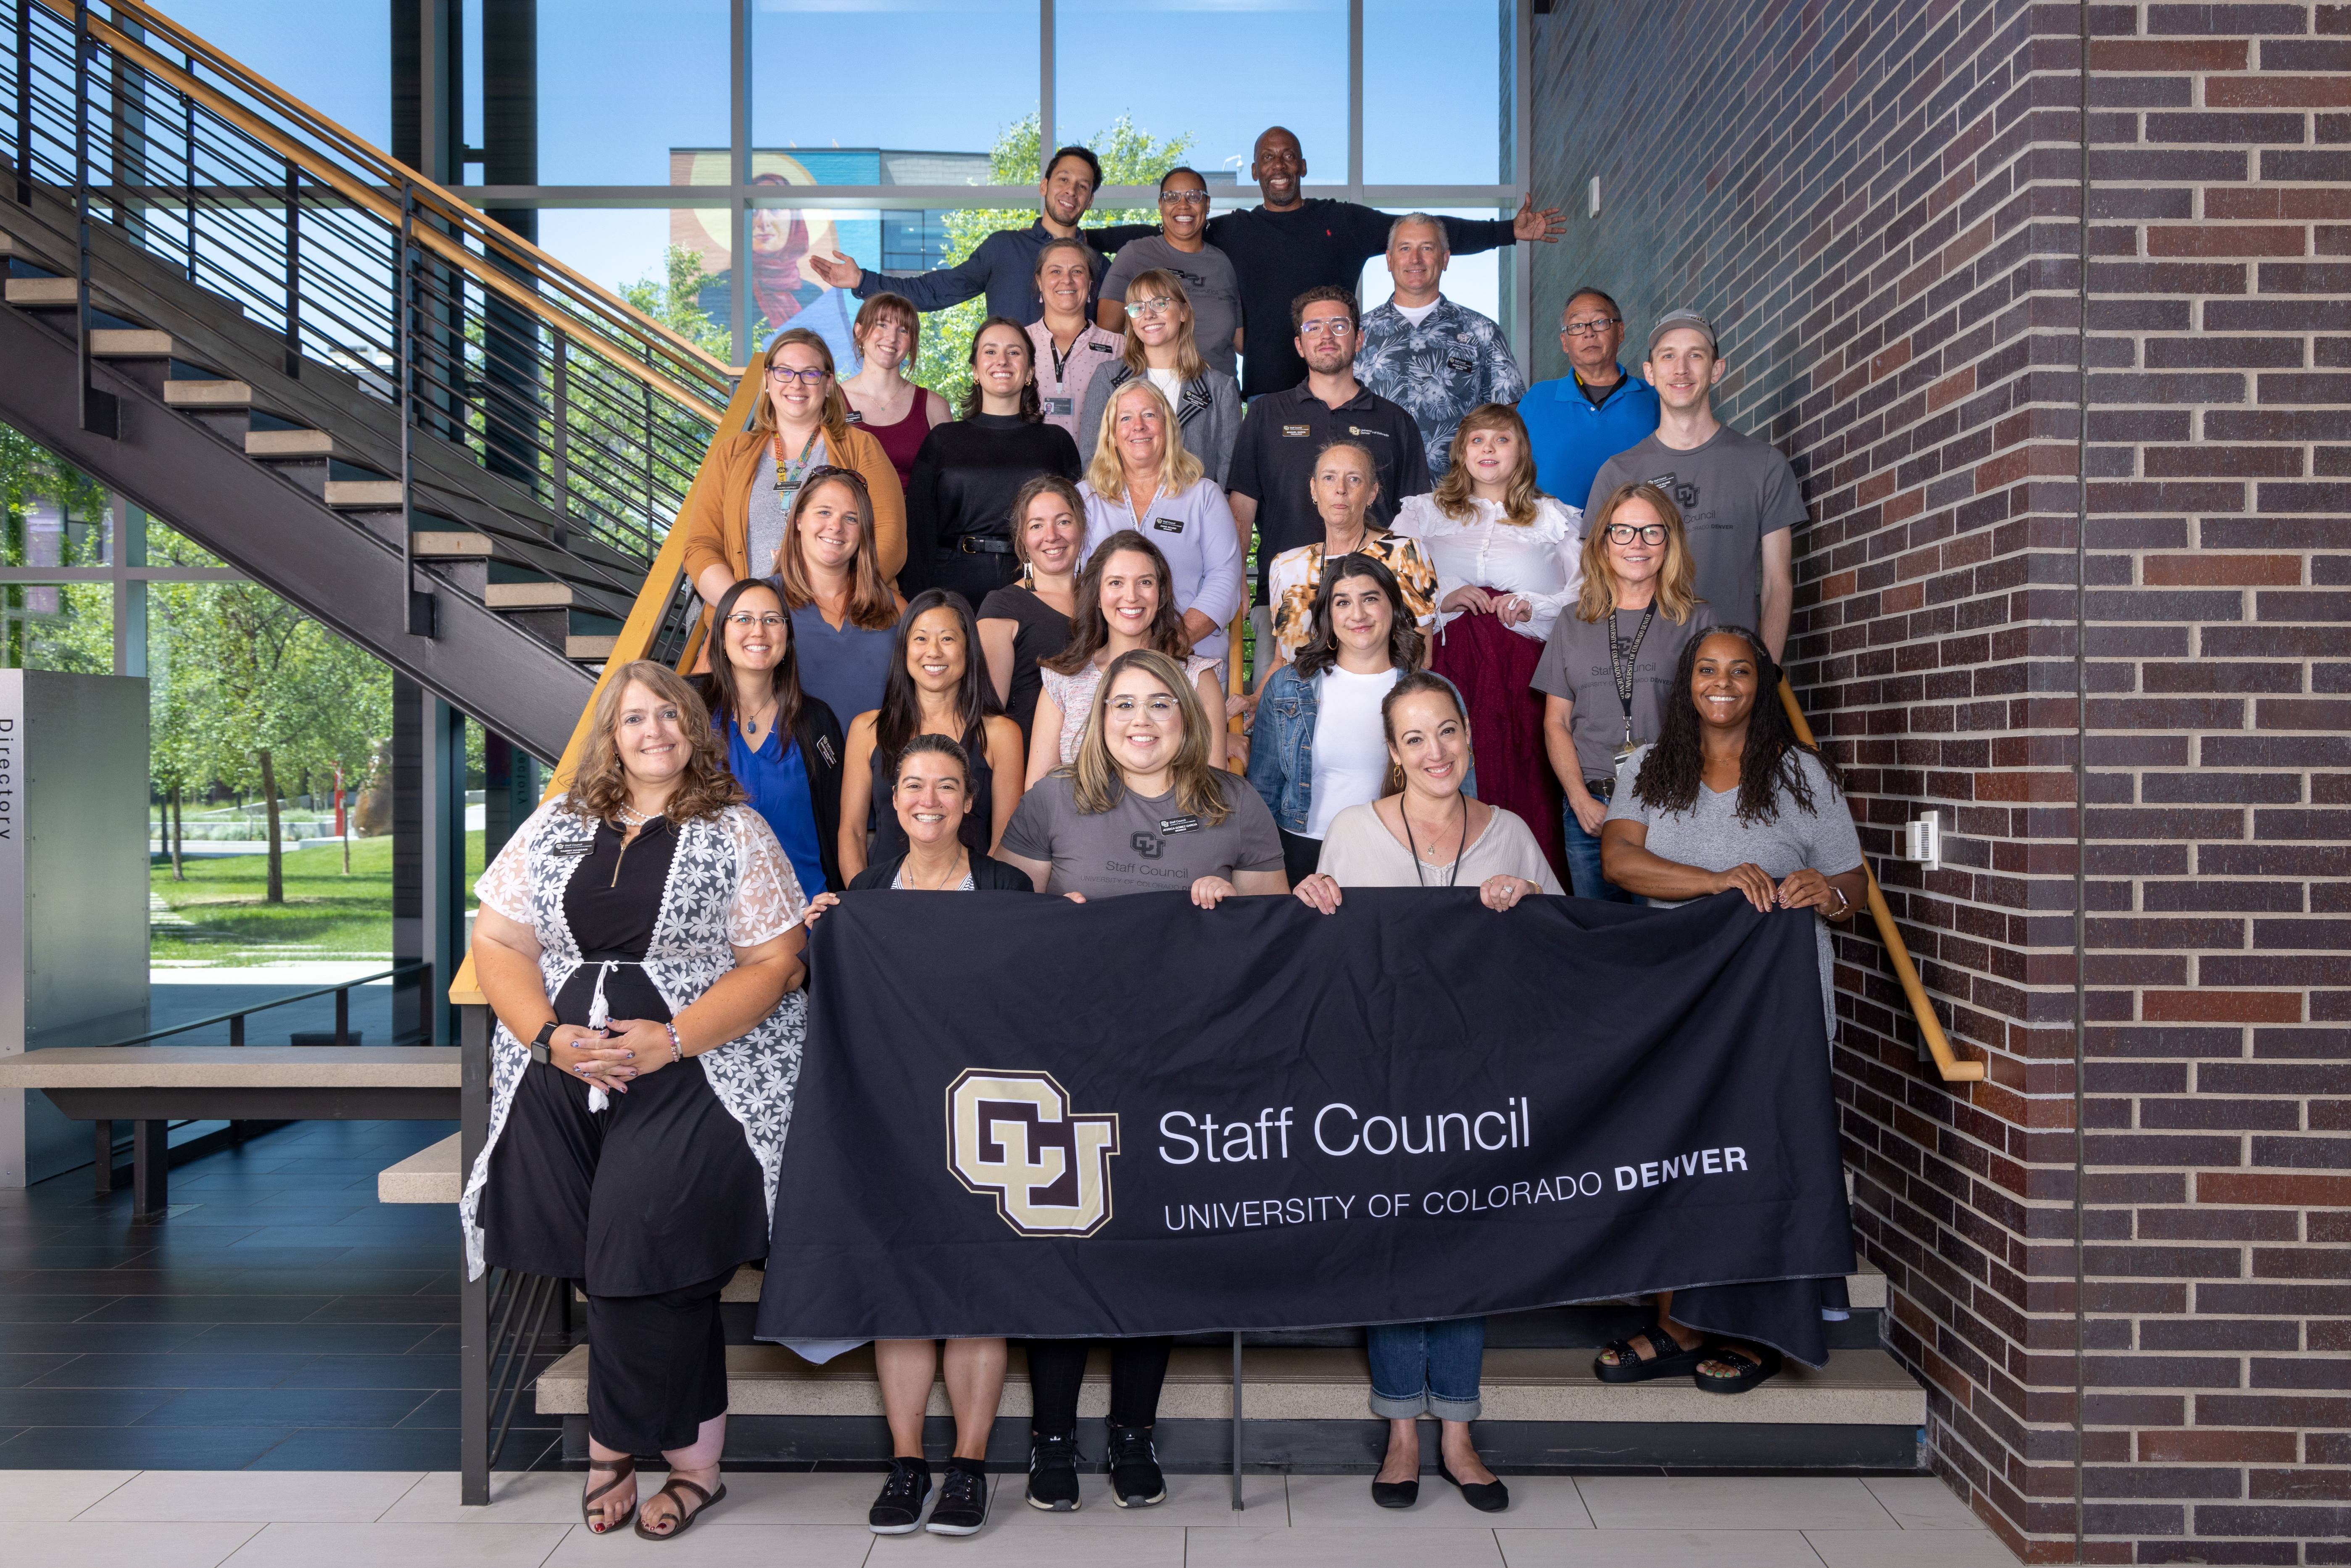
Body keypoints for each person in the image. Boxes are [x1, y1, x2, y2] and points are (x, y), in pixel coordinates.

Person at [461, 662, 808, 1542]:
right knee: (621, 1262)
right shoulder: (556, 824)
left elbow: (777, 960)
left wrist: (673, 1035)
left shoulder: (735, 828)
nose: (653, 730)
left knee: (640, 1238)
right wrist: (549, 1035)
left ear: (694, 728)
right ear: (609, 734)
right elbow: (499, 937)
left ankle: (614, 1443)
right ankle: (698, 1463)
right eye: (633, 718)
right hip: (558, 1070)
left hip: (695, 1067)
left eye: (669, 714)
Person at [996, 648, 1287, 1511]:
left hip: (1186, 1062)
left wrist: (1229, 905)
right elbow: (1000, 928)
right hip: (1071, 1061)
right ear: (1098, 716)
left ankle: (1132, 1433)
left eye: (1160, 703)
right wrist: (1053, 921)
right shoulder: (1053, 796)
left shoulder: (1234, 802)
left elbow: (1275, 934)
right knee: (1063, 1247)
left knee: (1150, 1250)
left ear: (1186, 717)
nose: (1142, 719)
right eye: (1123, 703)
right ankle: (1051, 1436)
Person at [1290, 671, 1556, 1516]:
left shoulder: (1509, 831)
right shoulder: (1353, 830)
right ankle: (1403, 1426)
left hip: (1479, 1079)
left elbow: (1567, 948)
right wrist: (1310, 896)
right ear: (1394, 753)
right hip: (1382, 1073)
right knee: (1398, 1245)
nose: (1434, 750)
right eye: (1414, 738)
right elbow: (1323, 956)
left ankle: (1458, 1430)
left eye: (1446, 730)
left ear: (1469, 732)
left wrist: (1531, 902)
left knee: (1467, 1248)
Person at [1595, 625, 1865, 1395]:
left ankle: (1756, 1329)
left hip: (1773, 1013)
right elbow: (1618, 860)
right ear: (1687, 683)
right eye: (1707, 670)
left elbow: (1852, 881)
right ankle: (1676, 1323)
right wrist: (1716, 882)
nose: (1722, 683)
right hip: (1674, 1009)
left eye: (1739, 671)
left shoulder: (1801, 776)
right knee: (1676, 1157)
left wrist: (1828, 894)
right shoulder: (1647, 769)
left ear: (1760, 684)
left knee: (1760, 1161)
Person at [799, 733, 1030, 1539]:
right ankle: (907, 1464)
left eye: (945, 786)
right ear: (891, 800)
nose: (926, 799)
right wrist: (825, 928)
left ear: (971, 802)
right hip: (894, 1120)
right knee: (897, 1296)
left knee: (976, 1294)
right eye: (911, 786)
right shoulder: (865, 890)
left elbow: (1040, 998)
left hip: (988, 1116)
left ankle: (967, 1468)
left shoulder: (1005, 885)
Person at [1198, 126, 1564, 398]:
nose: (1279, 165)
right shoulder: (1234, 231)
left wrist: (1507, 231)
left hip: (1339, 391)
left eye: (1289, 156)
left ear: (1303, 167)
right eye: (1268, 157)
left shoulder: (1341, 223)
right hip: (1269, 393)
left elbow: (1423, 231)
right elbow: (1164, 238)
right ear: (1254, 171)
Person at [1392, 404, 1582, 881]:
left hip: (1525, 674)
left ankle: (1530, 887)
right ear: (1460, 451)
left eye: (1501, 439)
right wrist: (1444, 596)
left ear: (1521, 452)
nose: (1488, 449)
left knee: (1526, 777)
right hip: (1447, 667)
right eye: (1477, 440)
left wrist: (1531, 605)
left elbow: (1586, 591)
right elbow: (1389, 579)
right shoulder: (1422, 512)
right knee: (1447, 768)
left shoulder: (1554, 516)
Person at [1584, 311, 1803, 659]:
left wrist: (1766, 672)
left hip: (1728, 675)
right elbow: (1597, 587)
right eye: (1668, 355)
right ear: (1650, 373)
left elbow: (1778, 584)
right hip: (1642, 675)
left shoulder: (1764, 465)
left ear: (1717, 369)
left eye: (1696, 355)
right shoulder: (1617, 474)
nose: (1681, 369)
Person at [1534, 482, 1715, 901]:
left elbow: (1715, 722)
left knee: (1663, 942)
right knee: (1601, 946)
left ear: (1669, 541)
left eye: (1651, 531)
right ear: (1603, 543)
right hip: (1590, 811)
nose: (1637, 543)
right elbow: (1555, 722)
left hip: (1671, 805)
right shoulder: (1572, 621)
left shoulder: (1696, 620)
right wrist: (1578, 799)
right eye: (1623, 531)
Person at [1228, 287, 1430, 622]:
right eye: (1313, 327)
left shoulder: (1395, 422)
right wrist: (1235, 579)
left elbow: (1416, 519)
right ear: (1299, 345)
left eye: (1339, 326)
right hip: (1287, 594)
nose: (1326, 336)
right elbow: (1241, 510)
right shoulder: (1266, 415)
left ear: (1359, 339)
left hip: (1376, 600)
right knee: (1279, 675)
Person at [680, 328, 907, 613]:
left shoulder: (862, 447)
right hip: (749, 634)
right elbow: (702, 546)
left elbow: (891, 538)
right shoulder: (731, 453)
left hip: (844, 621)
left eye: (810, 374)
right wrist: (745, 609)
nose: (796, 384)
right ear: (767, 379)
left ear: (828, 384)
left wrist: (832, 601)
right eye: (784, 372)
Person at [810, 145, 1149, 327]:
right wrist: (863, 281)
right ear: (1044, 186)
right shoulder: (1004, 248)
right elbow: (935, 291)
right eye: (1063, 180)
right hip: (1010, 401)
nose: (1070, 191)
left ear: (1090, 200)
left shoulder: (1101, 268)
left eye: (1082, 186)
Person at [1246, 554, 1423, 886]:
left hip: (1397, 850)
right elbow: (1263, 791)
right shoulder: (1287, 685)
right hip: (1300, 851)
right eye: (1343, 602)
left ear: (1394, 606)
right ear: (1328, 614)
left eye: (1370, 598)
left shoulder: (1431, 694)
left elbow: (1459, 796)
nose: (1358, 614)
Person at [837, 589, 1023, 881]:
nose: (933, 651)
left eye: (947, 639)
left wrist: (979, 903)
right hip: (882, 903)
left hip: (971, 904)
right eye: (921, 638)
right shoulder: (867, 730)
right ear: (904, 649)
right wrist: (863, 903)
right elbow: (852, 831)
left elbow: (1005, 840)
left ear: (968, 648)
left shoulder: (1001, 734)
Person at [902, 318, 1085, 602]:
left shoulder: (1056, 442)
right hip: (953, 584)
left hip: (1035, 579)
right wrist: (919, 603)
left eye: (1014, 352)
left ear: (1030, 371)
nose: (1002, 360)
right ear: (975, 370)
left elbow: (1079, 529)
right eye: (990, 351)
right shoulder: (942, 440)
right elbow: (918, 531)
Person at [1028, 530, 1225, 782]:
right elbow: (1038, 794)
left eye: (1145, 582)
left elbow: (1214, 789)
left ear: (1161, 594)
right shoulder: (1063, 680)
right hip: (1080, 819)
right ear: (1097, 596)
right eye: (1116, 583)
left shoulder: (1197, 678)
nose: (1131, 597)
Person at [1078, 379, 1244, 667]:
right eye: (1126, 418)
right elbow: (1071, 579)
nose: (1138, 426)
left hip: (1191, 657)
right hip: (1104, 661)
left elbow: (1224, 580)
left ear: (1168, 427)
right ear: (1111, 434)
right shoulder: (1085, 499)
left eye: (1149, 415)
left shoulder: (1204, 495)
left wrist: (1171, 645)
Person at [696, 577, 846, 898]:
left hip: (805, 912)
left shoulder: (817, 721)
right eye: (744, 619)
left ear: (788, 638)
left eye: (772, 620)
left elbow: (838, 826)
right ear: (721, 633)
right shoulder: (689, 712)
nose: (758, 631)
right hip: (711, 915)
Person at [1353, 215, 1527, 481]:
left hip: (1458, 496)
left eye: (1427, 248)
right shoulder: (1358, 335)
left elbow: (1510, 417)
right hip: (1373, 494)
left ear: (1445, 259)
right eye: (1405, 248)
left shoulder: (1481, 331)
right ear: (1389, 260)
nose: (1415, 259)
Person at [1264, 437, 1436, 669]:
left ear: (1372, 493)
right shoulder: (1286, 566)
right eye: (1329, 478)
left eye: (1354, 479)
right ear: (1314, 489)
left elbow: (1420, 662)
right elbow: (1281, 661)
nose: (1341, 489)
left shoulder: (1404, 554)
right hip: (1297, 701)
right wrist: (1255, 700)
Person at [1075, 269, 1243, 485]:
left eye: (1160, 303)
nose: (1149, 315)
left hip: (1197, 516)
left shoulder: (1220, 388)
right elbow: (1093, 461)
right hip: (1123, 513)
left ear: (1184, 312)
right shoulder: (1108, 378)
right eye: (1138, 307)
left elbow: (1229, 476)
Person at [773, 466, 905, 731]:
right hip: (791, 766)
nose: (836, 527)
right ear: (798, 520)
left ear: (864, 532)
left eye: (852, 519)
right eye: (824, 512)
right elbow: (709, 693)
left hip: (880, 766)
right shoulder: (759, 603)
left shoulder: (895, 607)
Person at [1096, 166, 1244, 379]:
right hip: (1152, 398)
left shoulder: (1223, 264)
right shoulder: (1135, 255)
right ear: (1161, 205)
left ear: (1207, 204)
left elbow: (1240, 342)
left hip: (1220, 397)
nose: (1183, 205)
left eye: (1194, 196)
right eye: (1172, 197)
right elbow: (1108, 338)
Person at [1518, 287, 1659, 508]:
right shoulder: (1537, 400)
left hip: (1636, 537)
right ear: (1565, 342)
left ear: (1621, 332)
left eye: (1601, 322)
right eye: (1577, 326)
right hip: (1555, 539)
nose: (1589, 333)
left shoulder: (1654, 397)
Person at [978, 475, 1082, 745]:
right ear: (1022, 539)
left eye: (1063, 522)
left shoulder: (1108, 598)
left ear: (1081, 527)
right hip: (1030, 765)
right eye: (1037, 526)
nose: (1052, 536)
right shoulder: (1003, 606)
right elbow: (989, 718)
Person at [839, 293, 954, 492]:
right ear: (859, 331)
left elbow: (950, 486)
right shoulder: (831, 402)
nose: (892, 338)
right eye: (882, 325)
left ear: (912, 342)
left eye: (903, 330)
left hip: (915, 521)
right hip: (849, 521)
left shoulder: (934, 406)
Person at [1027, 236, 1127, 443]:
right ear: (1039, 281)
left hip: (1101, 471)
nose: (1067, 280)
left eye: (1077, 271)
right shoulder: (1018, 343)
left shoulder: (1121, 347)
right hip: (1032, 470)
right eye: (1056, 271)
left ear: (1090, 283)